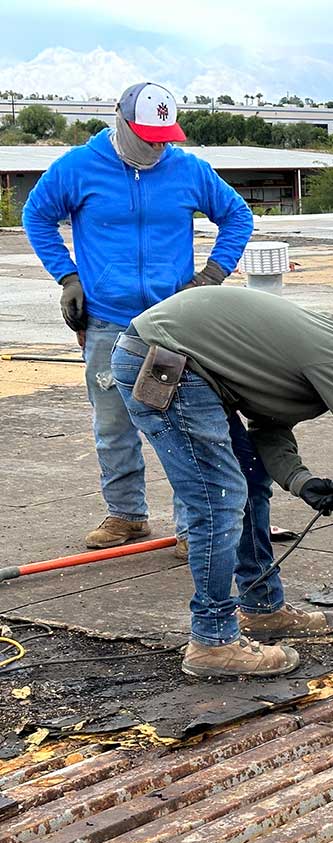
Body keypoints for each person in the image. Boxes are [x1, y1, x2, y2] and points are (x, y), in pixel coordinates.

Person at [111, 286, 333, 680]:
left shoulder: (318, 342)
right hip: (166, 362)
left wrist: (302, 481)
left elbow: (268, 424)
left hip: (188, 366)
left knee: (248, 478)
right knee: (219, 500)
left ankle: (262, 609)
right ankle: (211, 641)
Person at [22, 82, 254, 554]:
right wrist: (68, 277)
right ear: (121, 121)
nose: (157, 145)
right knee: (113, 424)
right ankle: (126, 514)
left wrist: (212, 274)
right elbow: (36, 215)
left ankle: (194, 528)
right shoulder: (77, 168)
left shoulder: (188, 170)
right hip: (108, 322)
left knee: (184, 425)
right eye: (147, 135)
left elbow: (237, 216)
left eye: (164, 136)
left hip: (173, 325)